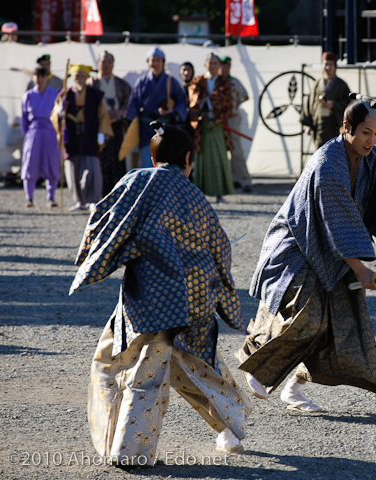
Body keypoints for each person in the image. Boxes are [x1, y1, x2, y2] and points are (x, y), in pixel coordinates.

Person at [69, 121, 251, 466]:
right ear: (187, 158)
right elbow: (221, 247)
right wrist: (219, 292)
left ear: (153, 159)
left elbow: (102, 218)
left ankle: (130, 452)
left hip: (151, 299)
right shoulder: (196, 198)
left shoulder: (137, 181)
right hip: (195, 299)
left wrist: (106, 255)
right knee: (196, 362)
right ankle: (233, 422)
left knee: (126, 367)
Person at [237, 93, 376, 413]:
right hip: (298, 245)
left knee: (340, 323)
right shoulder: (327, 163)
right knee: (307, 318)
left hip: (335, 250)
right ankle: (255, 353)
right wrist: (360, 270)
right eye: (365, 133)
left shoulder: (373, 156)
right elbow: (336, 219)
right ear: (347, 128)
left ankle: (294, 387)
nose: (372, 140)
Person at [56, 63, 113, 211]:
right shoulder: (65, 94)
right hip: (72, 134)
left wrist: (102, 133)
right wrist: (60, 113)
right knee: (72, 168)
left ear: (87, 77)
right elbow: (55, 114)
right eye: (76, 76)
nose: (79, 79)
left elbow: (103, 115)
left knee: (92, 166)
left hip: (90, 134)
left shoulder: (95, 94)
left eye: (82, 76)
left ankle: (93, 199)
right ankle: (78, 201)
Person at [124, 47, 188, 168]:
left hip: (165, 129)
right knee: (147, 163)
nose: (155, 63)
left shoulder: (171, 82)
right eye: (153, 60)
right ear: (148, 62)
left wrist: (172, 111)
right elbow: (134, 103)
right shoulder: (142, 82)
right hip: (146, 128)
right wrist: (128, 121)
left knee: (165, 163)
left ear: (163, 62)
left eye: (158, 60)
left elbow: (181, 102)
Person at [188, 53, 234, 203]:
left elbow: (226, 102)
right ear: (205, 64)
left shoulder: (224, 82)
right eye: (211, 63)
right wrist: (204, 102)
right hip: (202, 125)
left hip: (217, 124)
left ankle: (219, 194)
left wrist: (209, 100)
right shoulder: (198, 80)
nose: (213, 66)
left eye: (215, 63)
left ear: (219, 66)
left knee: (219, 158)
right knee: (201, 160)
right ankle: (200, 195)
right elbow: (193, 99)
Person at [86, 51, 132, 194]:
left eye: (108, 62)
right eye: (103, 62)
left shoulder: (122, 84)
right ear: (98, 64)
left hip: (116, 127)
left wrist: (120, 113)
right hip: (98, 128)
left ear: (113, 64)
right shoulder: (91, 83)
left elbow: (129, 104)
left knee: (117, 160)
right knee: (99, 161)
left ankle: (119, 193)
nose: (106, 65)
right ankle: (99, 193)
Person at [21, 66, 60, 208]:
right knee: (31, 162)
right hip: (34, 131)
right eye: (38, 75)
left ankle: (51, 196)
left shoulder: (55, 94)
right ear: (33, 77)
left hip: (50, 131)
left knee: (51, 162)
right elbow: (24, 118)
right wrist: (28, 132)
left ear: (47, 77)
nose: (40, 79)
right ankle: (29, 197)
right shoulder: (28, 96)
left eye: (43, 76)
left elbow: (59, 115)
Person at [300, 51, 351, 149]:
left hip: (334, 125)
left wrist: (334, 105)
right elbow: (310, 104)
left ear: (335, 66)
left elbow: (349, 104)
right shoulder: (317, 84)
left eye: (331, 65)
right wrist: (309, 124)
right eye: (326, 64)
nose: (328, 67)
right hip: (319, 125)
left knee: (334, 152)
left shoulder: (341, 85)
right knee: (319, 152)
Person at [219, 55, 253, 192]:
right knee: (220, 151)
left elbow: (245, 96)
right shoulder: (215, 82)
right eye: (223, 66)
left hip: (232, 119)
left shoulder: (234, 82)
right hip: (218, 120)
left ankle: (243, 179)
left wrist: (235, 104)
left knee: (236, 150)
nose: (225, 68)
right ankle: (225, 180)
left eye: (228, 66)